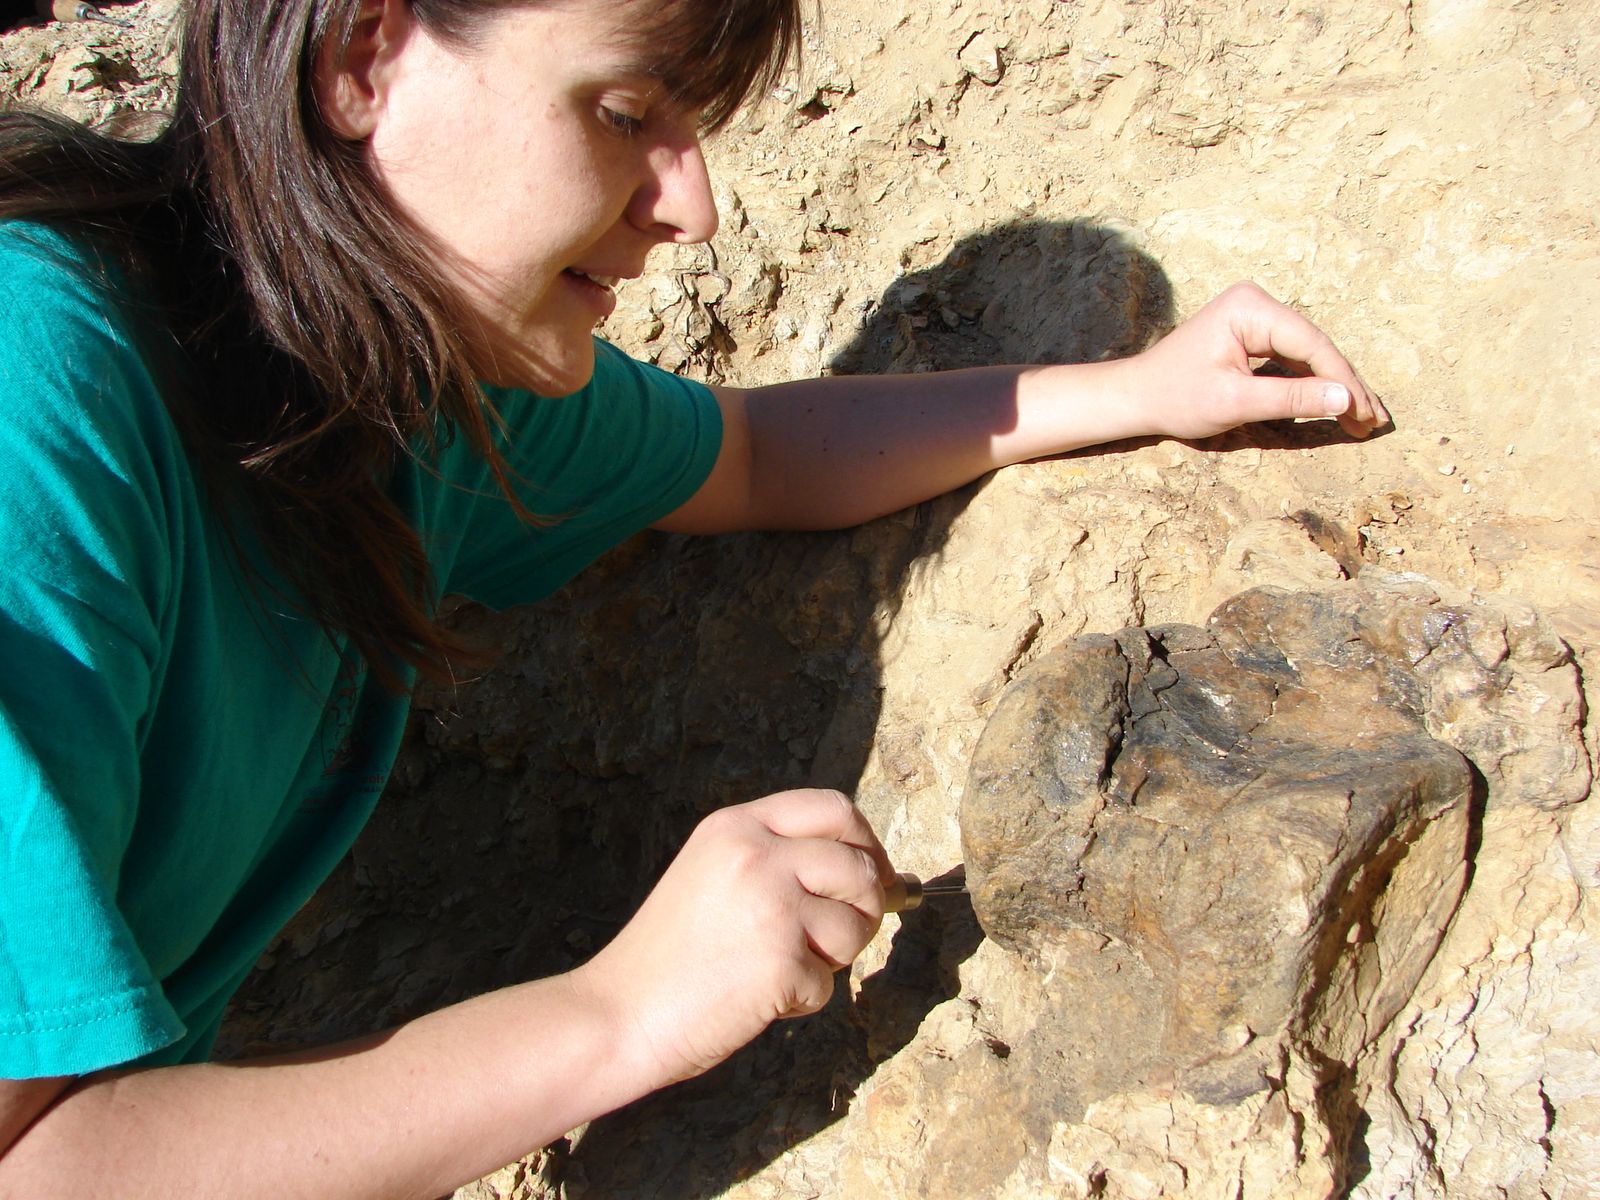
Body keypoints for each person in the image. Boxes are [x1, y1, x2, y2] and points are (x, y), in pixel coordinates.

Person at [0, 0, 1388, 1194]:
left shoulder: (393, 389)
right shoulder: (39, 403)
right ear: (365, 52)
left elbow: (756, 451)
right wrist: (622, 1011)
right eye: (621, 110)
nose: (695, 203)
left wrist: (1140, 390)